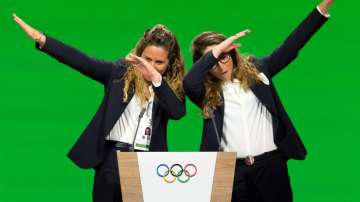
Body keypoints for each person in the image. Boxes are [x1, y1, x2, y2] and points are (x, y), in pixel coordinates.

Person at [13, 14, 186, 202]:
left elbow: (177, 112)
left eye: (159, 62)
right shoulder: (119, 73)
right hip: (112, 160)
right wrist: (43, 40)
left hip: (148, 164)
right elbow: (83, 62)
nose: (150, 66)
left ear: (170, 63)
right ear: (139, 54)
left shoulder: (171, 88)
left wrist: (156, 79)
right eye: (147, 59)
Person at [183, 1, 333, 201]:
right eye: (213, 60)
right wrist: (217, 51)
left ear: (233, 52)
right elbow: (189, 81)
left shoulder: (258, 71)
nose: (220, 65)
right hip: (230, 172)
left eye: (224, 56)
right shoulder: (204, 92)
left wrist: (323, 7)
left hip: (270, 166)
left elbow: (291, 48)